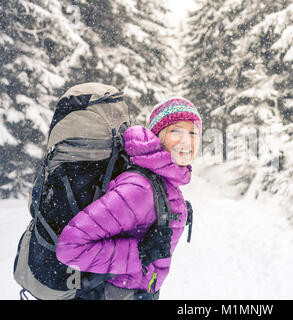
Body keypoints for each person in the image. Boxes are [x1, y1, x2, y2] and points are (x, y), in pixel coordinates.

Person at [55, 97, 202, 300]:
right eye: (176, 131)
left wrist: (168, 210)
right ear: (158, 135)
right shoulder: (139, 189)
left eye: (193, 132)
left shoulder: (161, 179)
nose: (187, 140)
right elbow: (69, 248)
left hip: (138, 291)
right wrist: (140, 252)